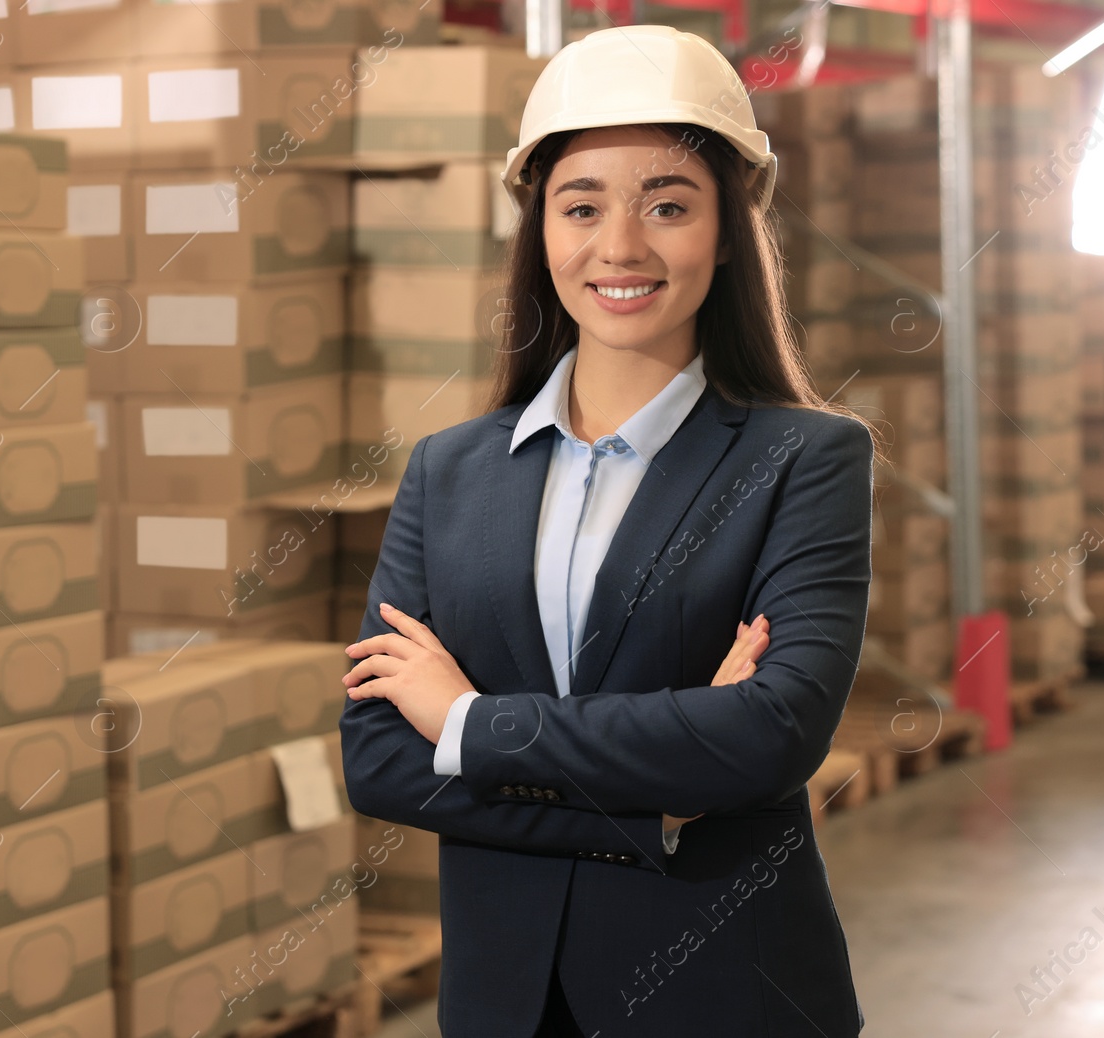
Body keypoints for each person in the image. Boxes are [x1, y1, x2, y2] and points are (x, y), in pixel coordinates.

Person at [338, 24, 882, 1038]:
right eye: (580, 205)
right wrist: (660, 801)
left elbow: (771, 733)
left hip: (725, 995)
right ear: (539, 232)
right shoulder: (448, 473)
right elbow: (377, 755)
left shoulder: (801, 460)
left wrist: (468, 724)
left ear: (725, 231)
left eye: (667, 205)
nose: (619, 246)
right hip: (505, 1003)